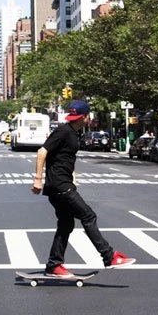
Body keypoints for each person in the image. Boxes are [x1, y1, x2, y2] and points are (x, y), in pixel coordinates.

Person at [31, 100, 135, 277]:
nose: (78, 119)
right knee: (88, 215)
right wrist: (38, 179)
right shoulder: (64, 131)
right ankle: (109, 257)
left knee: (66, 223)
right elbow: (42, 152)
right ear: (86, 117)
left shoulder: (74, 133)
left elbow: (64, 158)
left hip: (62, 184)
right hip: (59, 185)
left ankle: (54, 265)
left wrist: (73, 176)